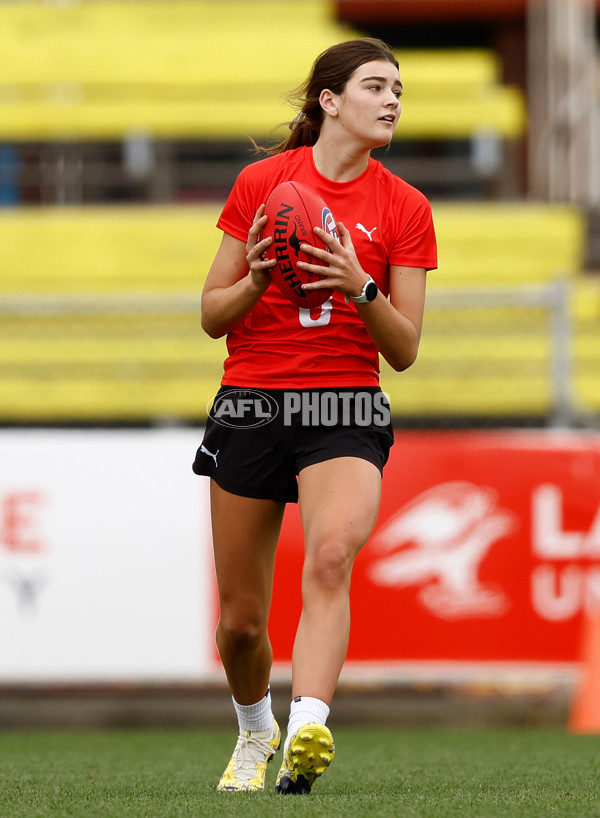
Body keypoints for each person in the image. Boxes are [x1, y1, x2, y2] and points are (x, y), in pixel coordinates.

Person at [193, 37, 437, 795]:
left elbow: (405, 351)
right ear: (330, 101)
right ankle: (254, 731)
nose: (392, 98)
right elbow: (210, 315)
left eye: (398, 88)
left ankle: (307, 731)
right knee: (240, 622)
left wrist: (363, 286)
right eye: (376, 85)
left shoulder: (405, 206)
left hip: (345, 405)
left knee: (331, 557)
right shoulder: (263, 184)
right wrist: (259, 277)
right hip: (253, 401)